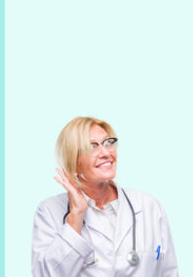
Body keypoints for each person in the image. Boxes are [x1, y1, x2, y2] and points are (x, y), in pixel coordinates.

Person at [31, 117, 178, 276]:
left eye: (108, 143)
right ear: (73, 160)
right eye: (92, 147)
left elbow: (169, 272)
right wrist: (76, 217)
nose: (106, 153)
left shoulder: (148, 206)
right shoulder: (49, 211)